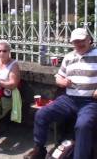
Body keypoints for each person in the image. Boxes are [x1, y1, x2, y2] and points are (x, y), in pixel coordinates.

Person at [24, 28, 97, 159]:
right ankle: (39, 150)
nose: (79, 44)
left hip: (89, 101)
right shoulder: (69, 57)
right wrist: (62, 81)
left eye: (82, 40)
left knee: (83, 125)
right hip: (68, 99)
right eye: (75, 42)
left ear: (89, 40)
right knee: (42, 114)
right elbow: (58, 77)